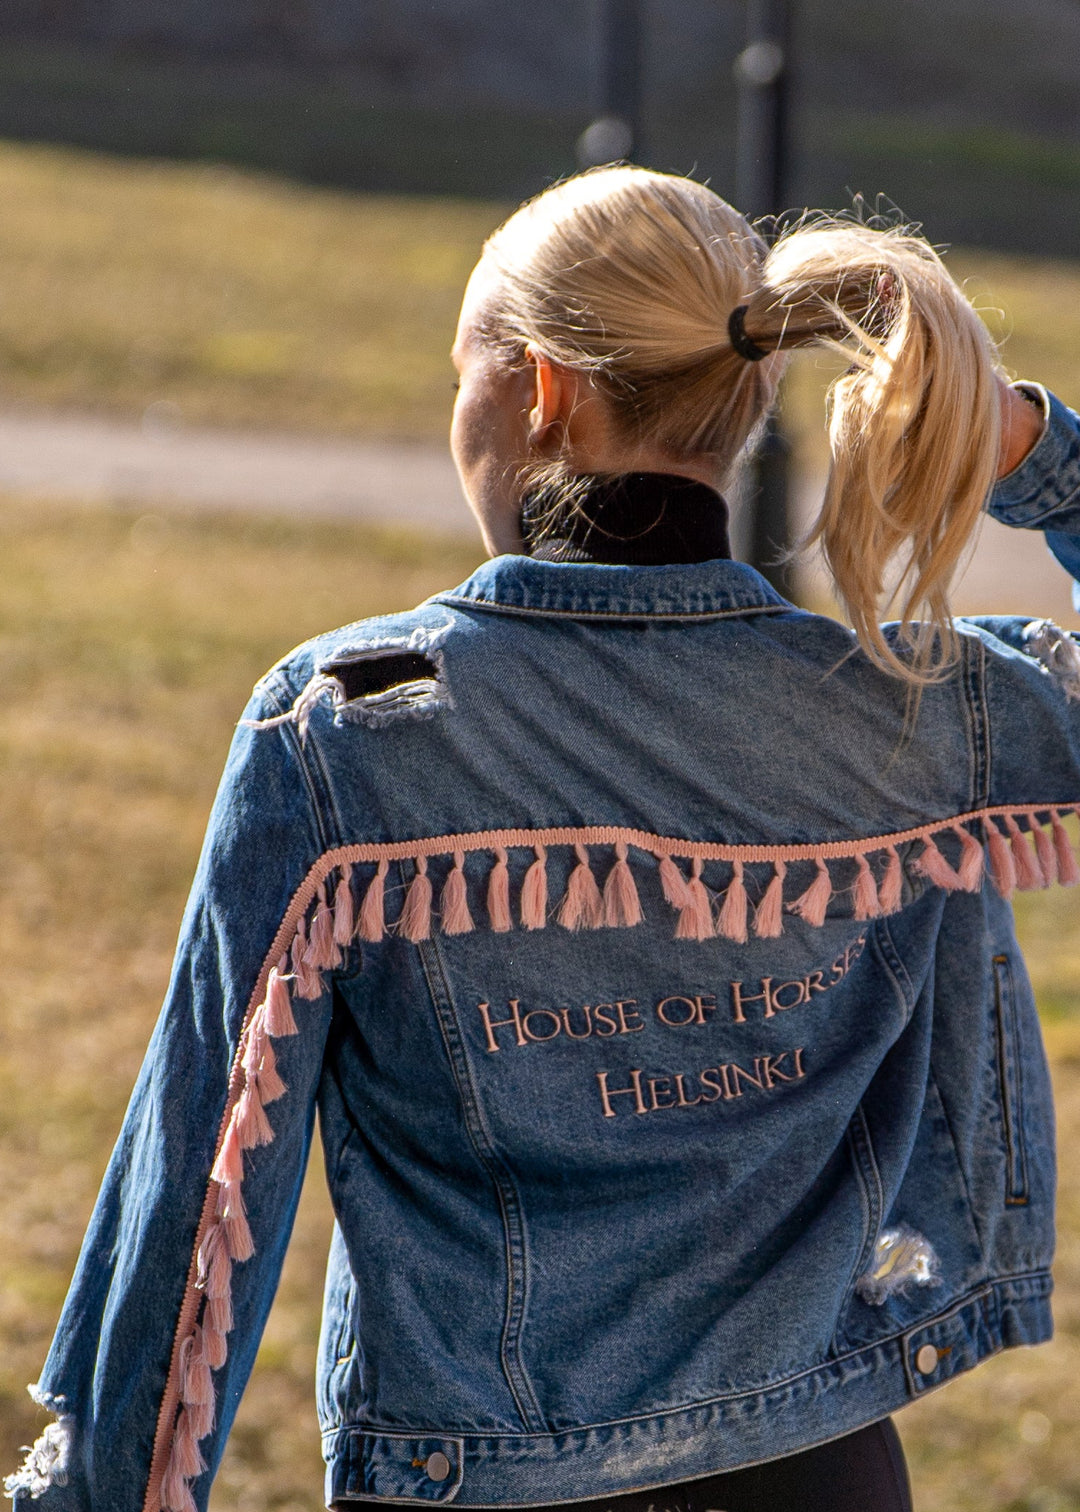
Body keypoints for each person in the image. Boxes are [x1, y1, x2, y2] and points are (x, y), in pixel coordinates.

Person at [7, 164, 1077, 1512]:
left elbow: (203, 1186)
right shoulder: (910, 709)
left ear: (538, 387)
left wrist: (98, 1491)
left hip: (482, 1481)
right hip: (824, 1468)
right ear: (745, 402)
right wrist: (1033, 451)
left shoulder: (350, 728)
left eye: (463, 368)